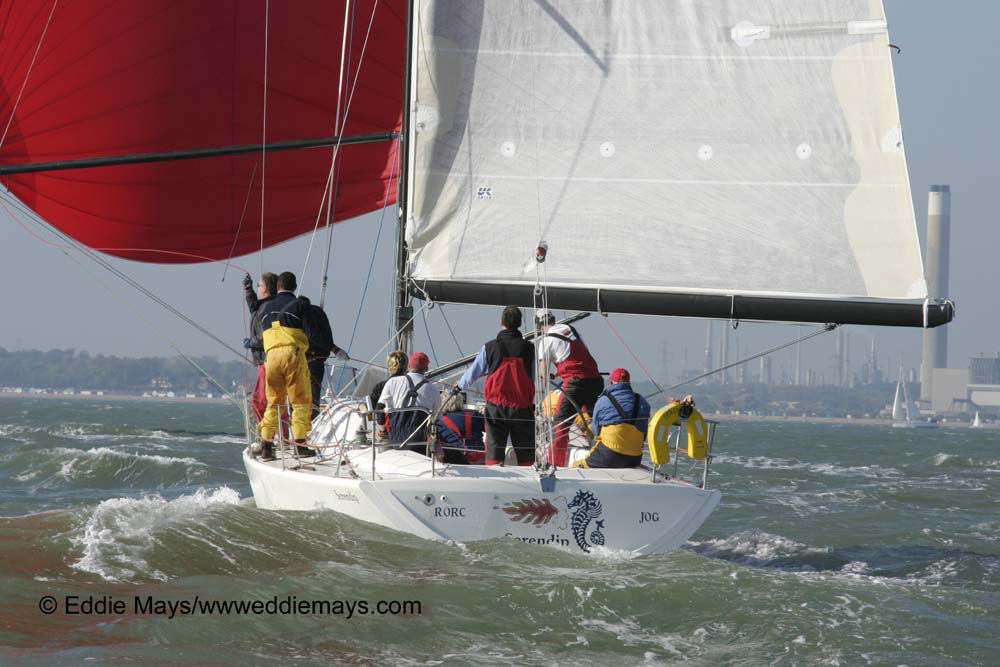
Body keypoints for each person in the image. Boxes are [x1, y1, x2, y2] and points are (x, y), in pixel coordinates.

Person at [456, 305, 535, 465]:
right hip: (522, 408)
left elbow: (474, 372)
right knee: (526, 453)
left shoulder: (490, 347)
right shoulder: (529, 348)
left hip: (496, 408)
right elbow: (531, 377)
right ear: (519, 323)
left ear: (501, 322)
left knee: (494, 451)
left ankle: (494, 480)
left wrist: (458, 387)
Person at [256, 271, 314, 460]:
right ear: (295, 287)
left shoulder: (265, 308)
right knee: (300, 402)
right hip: (292, 355)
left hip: (271, 357)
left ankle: (266, 445)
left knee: (274, 403)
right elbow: (311, 333)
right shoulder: (299, 305)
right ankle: (300, 445)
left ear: (277, 288)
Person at [534, 309, 603, 466]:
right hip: (595, 381)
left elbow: (542, 375)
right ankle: (600, 454)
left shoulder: (545, 341)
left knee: (560, 423)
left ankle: (554, 464)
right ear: (553, 319)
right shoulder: (570, 329)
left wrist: (543, 377)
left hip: (575, 384)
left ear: (539, 326)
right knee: (593, 420)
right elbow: (576, 357)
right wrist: (558, 373)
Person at [575, 368, 652, 468]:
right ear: (629, 382)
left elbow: (596, 431)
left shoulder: (603, 400)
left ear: (611, 382)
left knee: (577, 466)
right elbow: (644, 431)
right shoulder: (642, 401)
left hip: (609, 454)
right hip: (634, 458)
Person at [378, 352, 442, 453]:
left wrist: (383, 432)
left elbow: (379, 409)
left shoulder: (392, 382)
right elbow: (437, 419)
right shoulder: (433, 389)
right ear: (426, 369)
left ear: (408, 366)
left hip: (395, 439)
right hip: (419, 443)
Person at [304, 302, 349, 419]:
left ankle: (305, 416)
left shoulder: (298, 313)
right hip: (317, 359)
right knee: (314, 391)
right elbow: (326, 335)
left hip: (302, 358)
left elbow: (312, 335)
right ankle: (312, 413)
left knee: (299, 394)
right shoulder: (319, 313)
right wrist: (335, 350)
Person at [243, 272, 277, 421]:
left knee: (260, 399)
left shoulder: (269, 307)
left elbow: (267, 334)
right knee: (261, 399)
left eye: (259, 285)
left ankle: (266, 436)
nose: (257, 288)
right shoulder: (262, 305)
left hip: (267, 360)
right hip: (263, 360)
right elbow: (253, 308)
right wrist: (248, 289)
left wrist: (252, 342)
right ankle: (265, 433)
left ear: (266, 288)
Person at [436, 391, 486, 464]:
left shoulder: (441, 423)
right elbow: (489, 429)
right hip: (479, 457)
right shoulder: (474, 415)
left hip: (458, 460)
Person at [369, 351, 408, 437]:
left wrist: (382, 430)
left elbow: (375, 407)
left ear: (389, 366)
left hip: (389, 431)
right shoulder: (413, 385)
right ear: (406, 366)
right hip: (410, 430)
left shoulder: (381, 386)